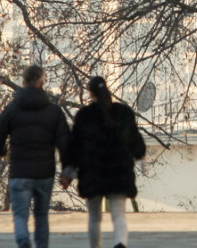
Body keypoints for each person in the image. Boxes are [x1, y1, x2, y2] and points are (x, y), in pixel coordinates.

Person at [0, 65, 70, 248]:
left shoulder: (12, 109)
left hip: (19, 171)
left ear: (23, 83)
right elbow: (65, 144)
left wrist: (3, 151)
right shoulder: (54, 112)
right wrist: (66, 171)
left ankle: (24, 241)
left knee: (20, 214)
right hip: (44, 173)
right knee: (41, 215)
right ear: (42, 82)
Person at [61, 76, 146, 248]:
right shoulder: (124, 113)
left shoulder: (84, 116)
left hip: (93, 172)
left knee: (94, 217)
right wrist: (139, 157)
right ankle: (120, 243)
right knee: (119, 214)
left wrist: (69, 171)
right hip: (119, 172)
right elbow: (136, 142)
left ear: (90, 93)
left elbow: (74, 146)